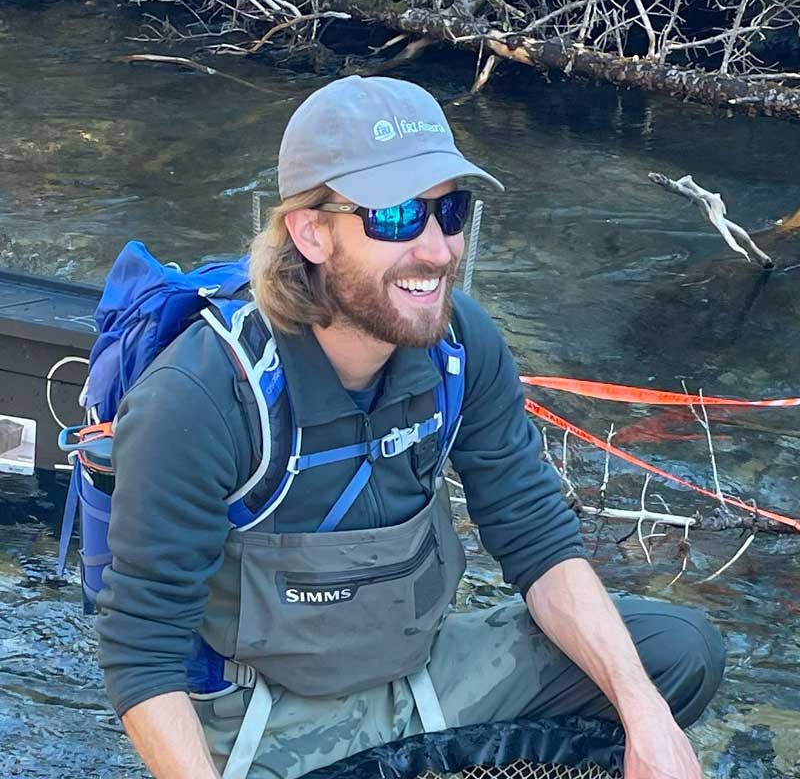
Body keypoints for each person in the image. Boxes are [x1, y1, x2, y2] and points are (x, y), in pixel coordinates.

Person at [95, 76, 725, 779]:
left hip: (419, 680)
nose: (436, 250)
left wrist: (645, 719)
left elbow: (537, 540)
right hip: (262, 720)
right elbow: (141, 648)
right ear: (310, 233)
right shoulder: (200, 397)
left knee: (674, 654)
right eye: (394, 216)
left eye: (448, 211)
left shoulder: (464, 346)